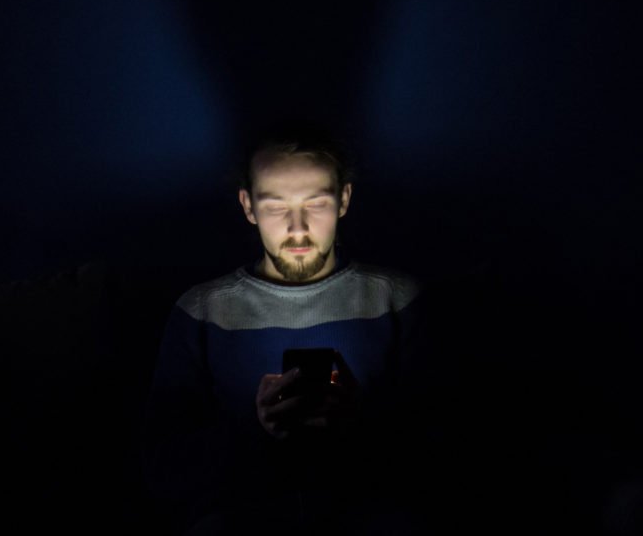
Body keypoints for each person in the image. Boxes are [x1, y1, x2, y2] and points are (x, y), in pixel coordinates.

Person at [141, 120, 432, 535]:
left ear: (344, 198)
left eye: (316, 203)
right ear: (248, 206)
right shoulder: (202, 311)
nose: (298, 229)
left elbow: (445, 450)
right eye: (277, 207)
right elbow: (163, 467)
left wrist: (358, 423)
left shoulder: (397, 300)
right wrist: (254, 429)